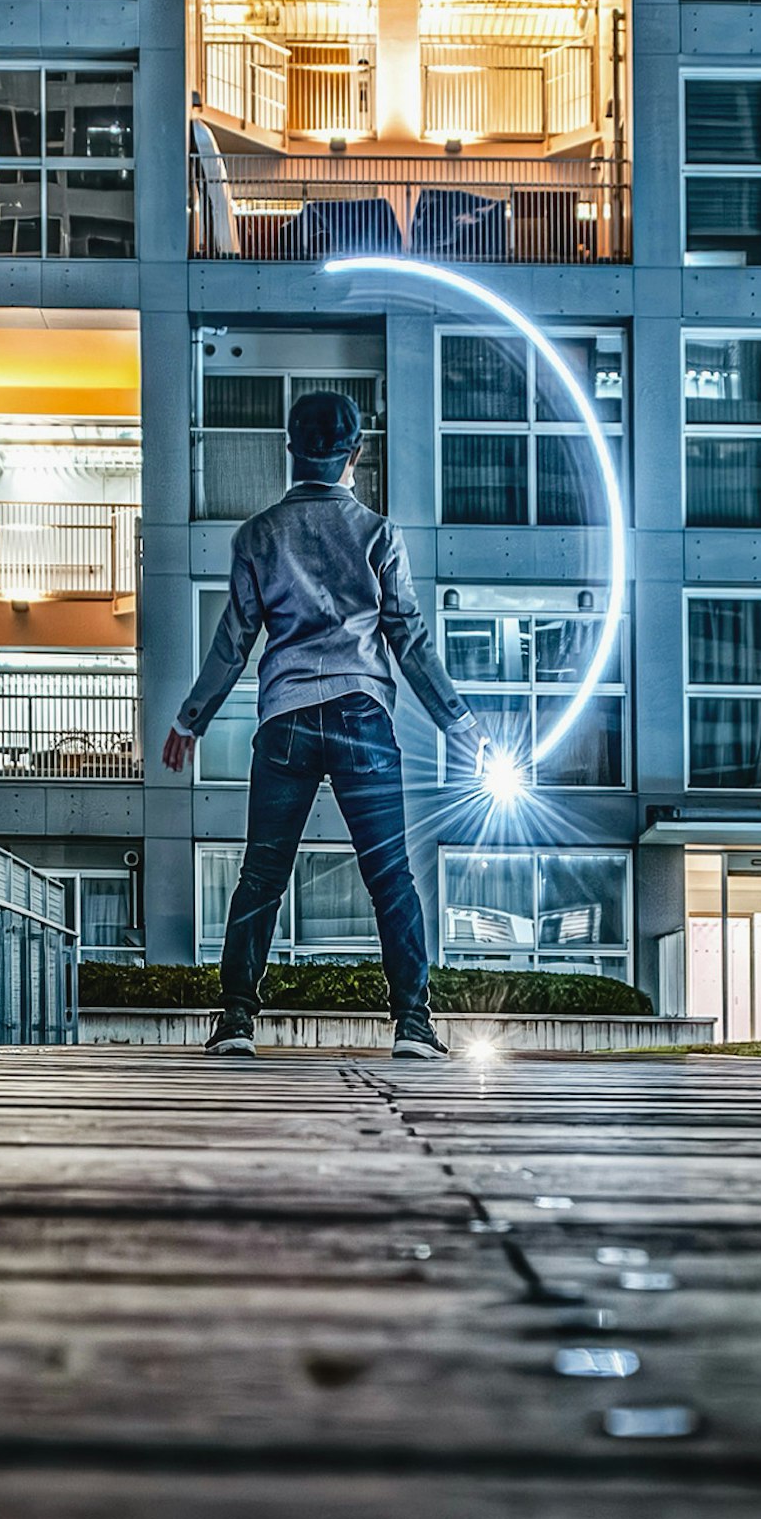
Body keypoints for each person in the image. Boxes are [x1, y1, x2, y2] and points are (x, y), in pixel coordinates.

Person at [161, 386, 478, 1060]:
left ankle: (238, 1021)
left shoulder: (259, 534)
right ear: (355, 453)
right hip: (362, 715)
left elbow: (233, 640)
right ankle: (414, 1026)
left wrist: (192, 719)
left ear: (290, 450)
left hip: (285, 721)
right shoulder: (379, 535)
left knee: (261, 876)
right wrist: (459, 725)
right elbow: (410, 640)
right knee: (390, 874)